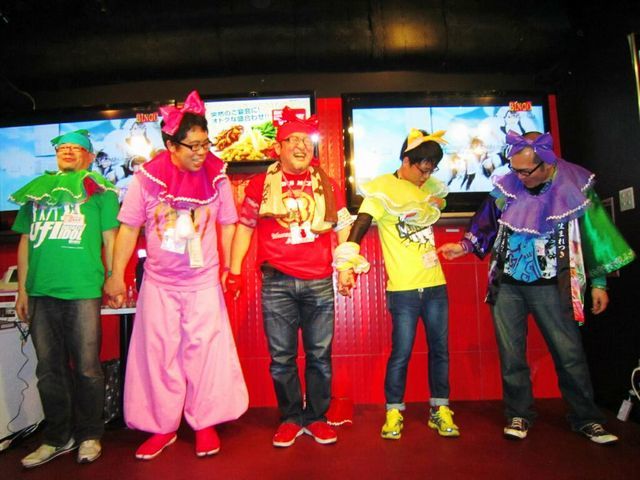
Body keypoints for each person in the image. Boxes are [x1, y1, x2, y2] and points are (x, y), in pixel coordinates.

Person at [438, 131, 636, 444]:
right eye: (514, 169)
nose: (519, 176)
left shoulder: (575, 185)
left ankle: (586, 418)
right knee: (511, 355)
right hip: (507, 283)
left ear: (546, 164)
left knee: (569, 353)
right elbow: (486, 222)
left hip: (552, 284)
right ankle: (518, 414)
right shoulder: (508, 185)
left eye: (525, 171)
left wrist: (599, 283)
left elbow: (595, 235)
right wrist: (463, 246)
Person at [104, 90, 248, 460]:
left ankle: (205, 423)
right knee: (157, 355)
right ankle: (162, 427)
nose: (201, 152)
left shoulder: (217, 176)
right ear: (171, 145)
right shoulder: (146, 179)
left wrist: (230, 269)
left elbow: (229, 224)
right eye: (193, 146)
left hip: (203, 283)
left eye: (205, 143)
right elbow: (128, 229)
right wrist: (116, 276)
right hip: (159, 283)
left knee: (206, 353)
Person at [226, 107, 353, 448]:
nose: (301, 146)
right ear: (278, 148)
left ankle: (317, 418)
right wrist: (234, 271)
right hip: (277, 281)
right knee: (281, 358)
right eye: (292, 140)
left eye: (306, 141)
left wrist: (346, 266)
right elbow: (244, 227)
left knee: (319, 356)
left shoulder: (328, 183)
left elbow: (343, 226)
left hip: (319, 281)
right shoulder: (259, 184)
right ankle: (291, 418)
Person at [335, 128, 460, 440]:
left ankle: (440, 409)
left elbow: (438, 204)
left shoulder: (428, 188)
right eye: (422, 169)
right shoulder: (382, 190)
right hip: (403, 289)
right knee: (401, 352)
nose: (426, 177)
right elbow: (360, 225)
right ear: (406, 161)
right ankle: (393, 411)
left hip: (436, 285)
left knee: (440, 350)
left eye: (431, 171)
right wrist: (347, 263)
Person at [11, 130, 120, 467]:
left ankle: (90, 435)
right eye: (63, 147)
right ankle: (57, 438)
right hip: (40, 290)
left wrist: (113, 277)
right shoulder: (36, 191)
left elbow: (111, 238)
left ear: (90, 156)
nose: (68, 151)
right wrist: (22, 289)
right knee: (48, 369)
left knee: (87, 368)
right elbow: (25, 241)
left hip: (82, 289)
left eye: (77, 148)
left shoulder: (100, 191)